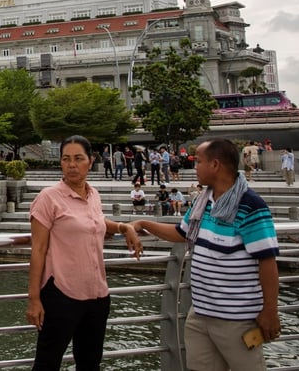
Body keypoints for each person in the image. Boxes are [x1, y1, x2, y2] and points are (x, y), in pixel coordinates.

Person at [133, 138, 280, 370]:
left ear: (215, 165)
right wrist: (143, 223)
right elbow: (182, 233)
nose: (195, 167)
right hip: (200, 314)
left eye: (199, 162)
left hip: (238, 320)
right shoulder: (205, 201)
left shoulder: (250, 205)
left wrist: (270, 312)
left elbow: (267, 261)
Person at [25, 135, 143, 370]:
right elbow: (37, 249)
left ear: (90, 161)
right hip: (61, 294)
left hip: (97, 295)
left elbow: (96, 221)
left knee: (90, 364)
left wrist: (123, 227)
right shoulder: (48, 198)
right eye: (66, 159)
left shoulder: (93, 195)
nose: (71, 164)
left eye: (78, 158)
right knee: (47, 364)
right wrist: (34, 299)